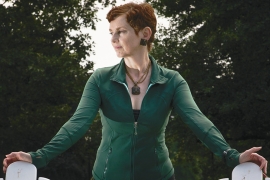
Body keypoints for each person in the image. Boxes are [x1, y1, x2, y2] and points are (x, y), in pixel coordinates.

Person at [3, 2, 268, 180]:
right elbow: (77, 124)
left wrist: (233, 157)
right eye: (111, 32)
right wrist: (36, 158)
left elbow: (199, 123)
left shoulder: (173, 81)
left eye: (121, 31)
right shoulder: (100, 79)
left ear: (144, 33)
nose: (113, 39)